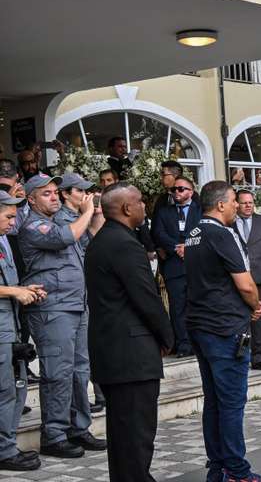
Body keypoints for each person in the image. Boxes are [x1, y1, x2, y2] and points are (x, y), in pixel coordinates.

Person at [85, 183, 174, 482]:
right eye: (139, 202)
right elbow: (146, 298)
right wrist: (167, 336)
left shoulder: (102, 240)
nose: (144, 208)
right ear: (126, 208)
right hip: (131, 355)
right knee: (135, 438)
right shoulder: (124, 244)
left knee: (124, 438)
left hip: (115, 352)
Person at [184, 181, 261, 482]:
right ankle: (236, 471)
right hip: (224, 328)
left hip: (201, 324)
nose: (238, 205)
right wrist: (255, 306)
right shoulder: (221, 234)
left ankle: (218, 468)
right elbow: (245, 283)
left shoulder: (194, 233)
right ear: (220, 204)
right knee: (232, 402)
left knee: (215, 400)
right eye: (234, 200)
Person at [18, 174, 106, 458]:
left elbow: (91, 241)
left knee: (80, 371)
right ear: (31, 199)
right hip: (52, 309)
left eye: (56, 192)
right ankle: (54, 434)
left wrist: (97, 213)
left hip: (76, 305)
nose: (54, 197)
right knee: (58, 373)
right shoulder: (33, 225)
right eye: (46, 194)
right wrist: (88, 211)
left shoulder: (62, 221)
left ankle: (78, 428)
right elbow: (64, 238)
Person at [0, 190, 44, 471]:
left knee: (14, 389)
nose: (12, 223)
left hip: (11, 325)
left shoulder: (3, 240)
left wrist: (24, 289)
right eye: (8, 217)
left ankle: (7, 445)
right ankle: (4, 451)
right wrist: (14, 292)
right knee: (5, 391)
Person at [55, 174, 106, 413]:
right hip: (64, 299)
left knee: (82, 365)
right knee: (67, 368)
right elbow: (69, 237)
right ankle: (65, 425)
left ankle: (81, 424)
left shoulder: (80, 217)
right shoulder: (60, 219)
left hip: (83, 295)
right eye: (80, 190)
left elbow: (92, 246)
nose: (86, 195)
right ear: (65, 194)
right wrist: (87, 213)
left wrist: (95, 217)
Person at [152, 176, 201, 357]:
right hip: (174, 266)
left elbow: (205, 231)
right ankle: (183, 345)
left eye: (181, 189)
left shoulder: (201, 210)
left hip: (196, 266)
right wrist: (175, 247)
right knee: (177, 307)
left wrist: (189, 247)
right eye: (174, 189)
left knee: (197, 306)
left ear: (191, 191)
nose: (177, 192)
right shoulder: (164, 212)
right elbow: (158, 233)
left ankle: (198, 343)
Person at [234, 190, 261, 370]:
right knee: (241, 318)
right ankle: (241, 355)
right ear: (237, 204)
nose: (248, 205)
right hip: (237, 278)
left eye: (251, 202)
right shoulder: (229, 223)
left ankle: (259, 357)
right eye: (244, 202)